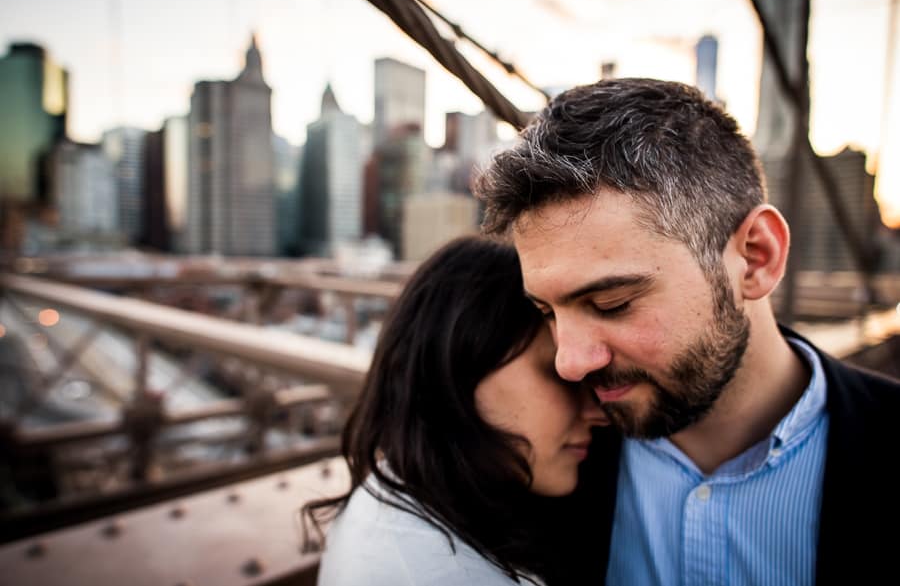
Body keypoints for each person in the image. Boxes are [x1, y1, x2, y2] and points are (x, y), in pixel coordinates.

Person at [474, 78, 900, 585]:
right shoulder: (545, 462)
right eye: (547, 311)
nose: (570, 362)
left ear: (756, 258)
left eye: (613, 303)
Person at [304, 236, 607, 585]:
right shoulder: (441, 573)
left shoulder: (405, 503)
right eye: (560, 373)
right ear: (455, 368)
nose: (598, 412)